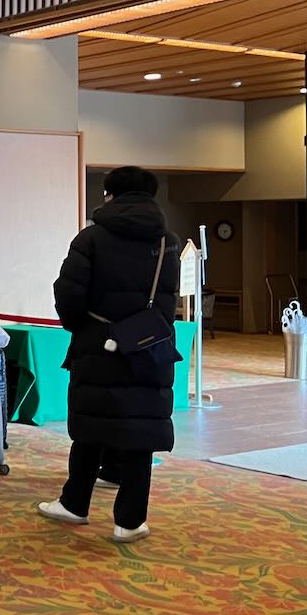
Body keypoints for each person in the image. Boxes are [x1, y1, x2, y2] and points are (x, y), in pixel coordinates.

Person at [37, 166, 181, 543]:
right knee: (141, 427)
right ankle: (129, 521)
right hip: (149, 345)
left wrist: (81, 326)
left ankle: (75, 503)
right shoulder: (168, 242)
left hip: (97, 341)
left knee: (90, 424)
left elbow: (69, 295)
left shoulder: (91, 238)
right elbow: (167, 302)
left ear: (110, 195)